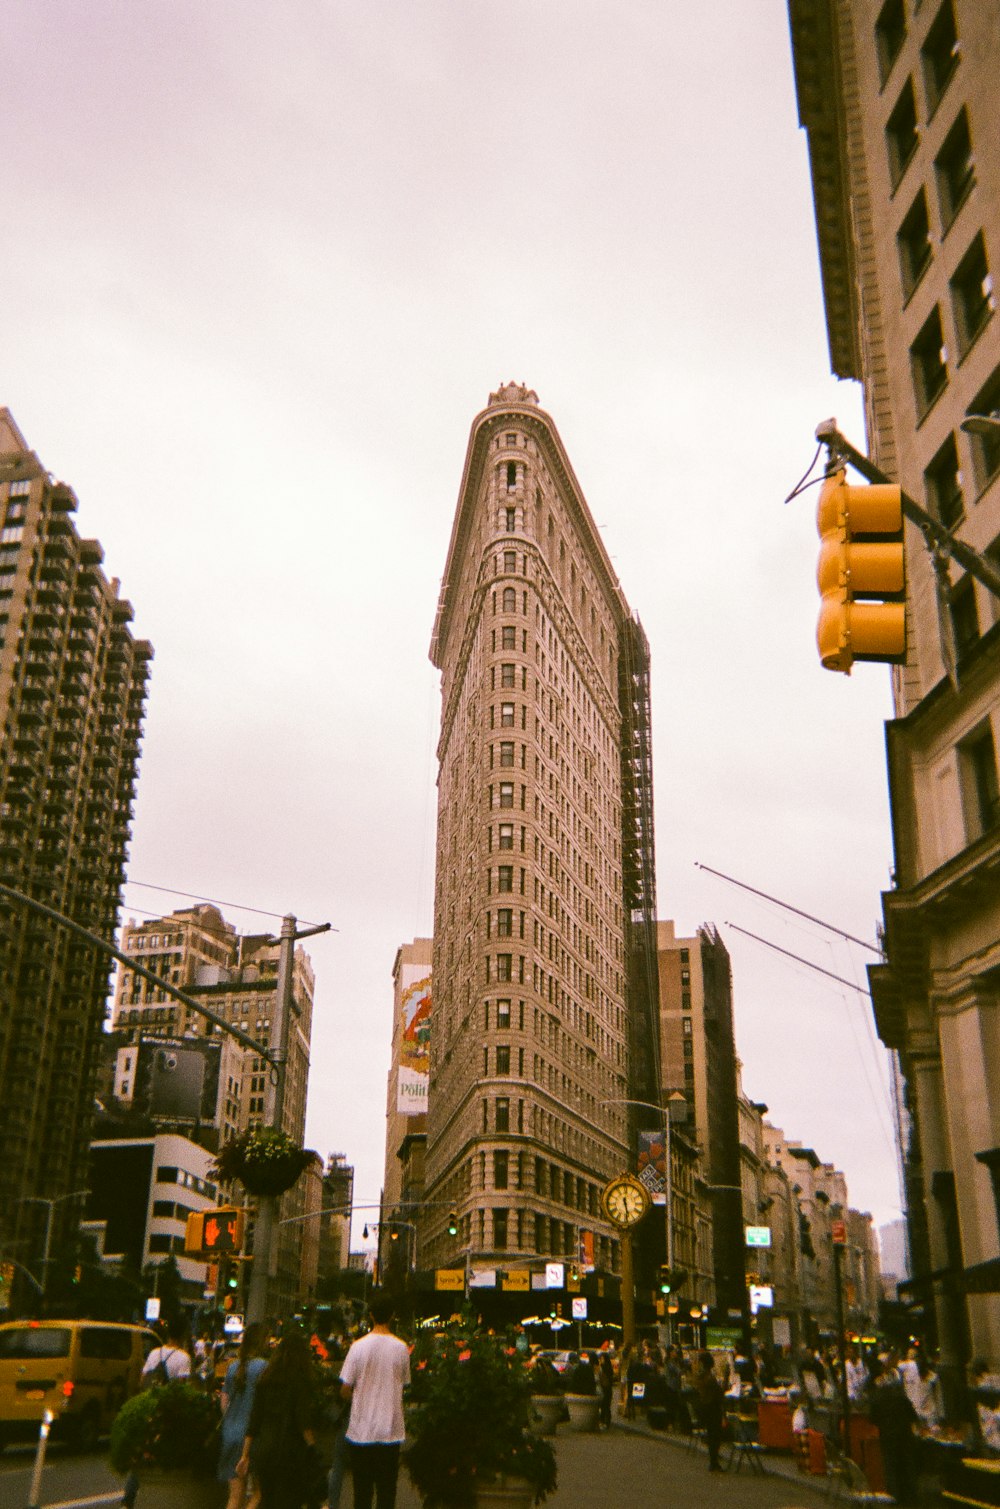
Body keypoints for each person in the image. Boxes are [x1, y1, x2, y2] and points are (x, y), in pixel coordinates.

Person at [238, 1328, 324, 1509]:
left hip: (264, 1449)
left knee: (267, 1500)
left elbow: (255, 1419)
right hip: (289, 1451)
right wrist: (313, 1449)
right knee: (289, 1501)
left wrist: (245, 1455)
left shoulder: (266, 1379)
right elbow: (303, 1421)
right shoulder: (301, 1381)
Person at [340, 1291, 410, 1509]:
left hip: (361, 1432)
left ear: (370, 1315)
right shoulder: (401, 1348)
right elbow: (404, 1384)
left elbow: (344, 1388)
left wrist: (358, 1398)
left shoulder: (357, 1347)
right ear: (392, 1316)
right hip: (390, 1431)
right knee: (387, 1491)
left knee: (362, 1492)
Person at [122, 1317, 193, 1507]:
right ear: (184, 1334)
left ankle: (128, 1498)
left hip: (148, 1408)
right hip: (167, 1413)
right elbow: (182, 1389)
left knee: (143, 1451)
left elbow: (142, 1379)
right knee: (164, 1450)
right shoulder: (184, 1358)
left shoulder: (155, 1353)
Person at [218, 1323, 269, 1509]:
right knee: (258, 1494)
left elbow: (224, 1400)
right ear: (262, 1341)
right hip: (252, 1436)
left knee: (234, 1496)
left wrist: (231, 1419)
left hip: (230, 1433)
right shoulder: (264, 1367)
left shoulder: (233, 1368)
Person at [867, 1354, 920, 1507]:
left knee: (891, 1467)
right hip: (905, 1437)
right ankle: (911, 1499)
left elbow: (873, 1419)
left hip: (888, 1437)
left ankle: (894, 1499)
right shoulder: (902, 1399)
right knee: (908, 1467)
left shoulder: (877, 1399)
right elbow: (913, 1417)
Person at [692, 1349, 726, 1472]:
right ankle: (714, 1462)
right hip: (713, 1408)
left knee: (712, 1435)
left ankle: (713, 1461)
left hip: (703, 1408)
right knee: (715, 1436)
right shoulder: (710, 1378)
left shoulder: (699, 1376)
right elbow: (718, 1393)